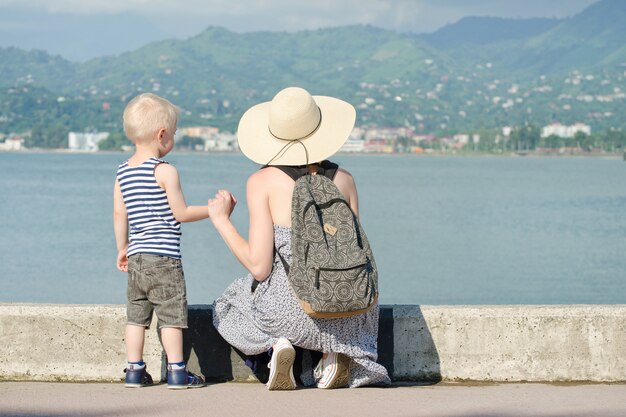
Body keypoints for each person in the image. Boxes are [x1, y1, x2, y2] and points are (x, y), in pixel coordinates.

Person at [208, 86, 390, 390]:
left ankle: (276, 347)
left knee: (228, 304)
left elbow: (260, 267)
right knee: (331, 312)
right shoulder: (345, 179)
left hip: (291, 311)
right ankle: (332, 356)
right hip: (353, 311)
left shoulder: (262, 181)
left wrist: (221, 221)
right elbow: (356, 253)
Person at [113, 92, 207, 389]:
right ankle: (178, 371)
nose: (174, 139)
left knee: (136, 317)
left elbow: (119, 213)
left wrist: (122, 248)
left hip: (137, 256)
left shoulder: (123, 172)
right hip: (164, 259)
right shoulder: (165, 171)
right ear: (162, 134)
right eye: (175, 133)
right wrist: (214, 210)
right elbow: (181, 212)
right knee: (171, 317)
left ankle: (134, 370)